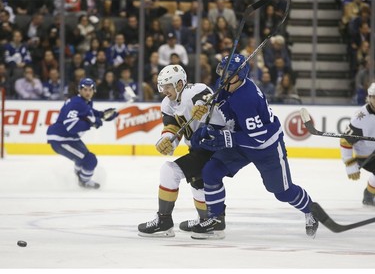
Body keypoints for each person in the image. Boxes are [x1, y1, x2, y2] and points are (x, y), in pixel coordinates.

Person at [189, 54, 319, 240]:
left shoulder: (246, 99)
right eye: (222, 72)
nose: (223, 77)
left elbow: (257, 138)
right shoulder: (227, 83)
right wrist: (205, 119)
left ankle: (311, 209)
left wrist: (226, 138)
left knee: (282, 192)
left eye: (228, 74)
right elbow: (223, 111)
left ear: (239, 75)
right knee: (210, 172)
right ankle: (216, 219)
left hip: (266, 147)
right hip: (241, 141)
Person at [138, 64, 224, 237]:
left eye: (167, 86)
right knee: (197, 181)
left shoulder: (193, 91)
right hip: (200, 149)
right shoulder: (167, 104)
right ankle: (209, 221)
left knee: (169, 171)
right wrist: (166, 141)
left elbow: (205, 95)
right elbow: (173, 128)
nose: (164, 90)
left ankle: (164, 221)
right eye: (162, 86)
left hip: (216, 144)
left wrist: (202, 105)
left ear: (179, 84)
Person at [46, 78, 118, 189]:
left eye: (90, 90)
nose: (88, 92)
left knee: (84, 161)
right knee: (90, 160)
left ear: (94, 91)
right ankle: (84, 182)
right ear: (80, 90)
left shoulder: (84, 102)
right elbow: (70, 126)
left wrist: (103, 115)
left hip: (70, 138)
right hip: (61, 139)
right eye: (85, 89)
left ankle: (79, 177)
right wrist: (92, 123)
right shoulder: (77, 103)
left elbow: (90, 113)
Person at [340, 82, 375, 206]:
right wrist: (349, 162)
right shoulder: (360, 119)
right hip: (367, 156)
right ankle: (369, 193)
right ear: (369, 98)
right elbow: (345, 141)